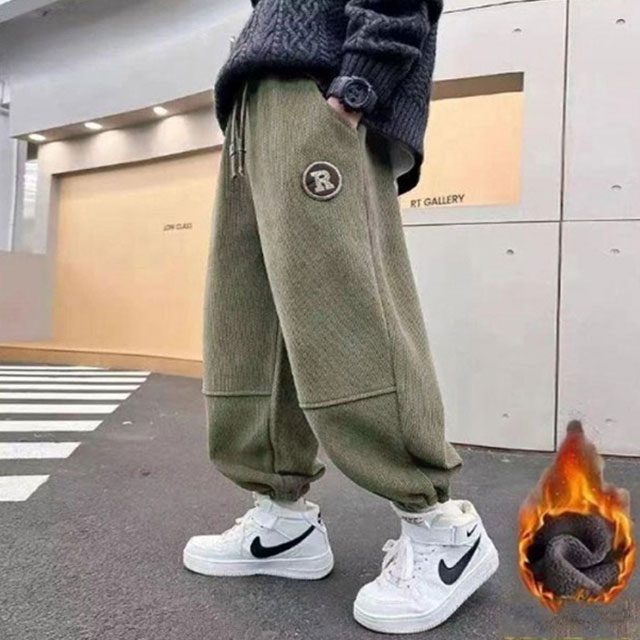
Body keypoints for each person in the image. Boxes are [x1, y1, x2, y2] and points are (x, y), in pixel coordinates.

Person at [183, 0, 499, 633]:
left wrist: (357, 86)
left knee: (345, 310)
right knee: (250, 321)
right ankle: (283, 521)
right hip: (254, 104)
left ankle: (442, 531)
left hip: (320, 88)